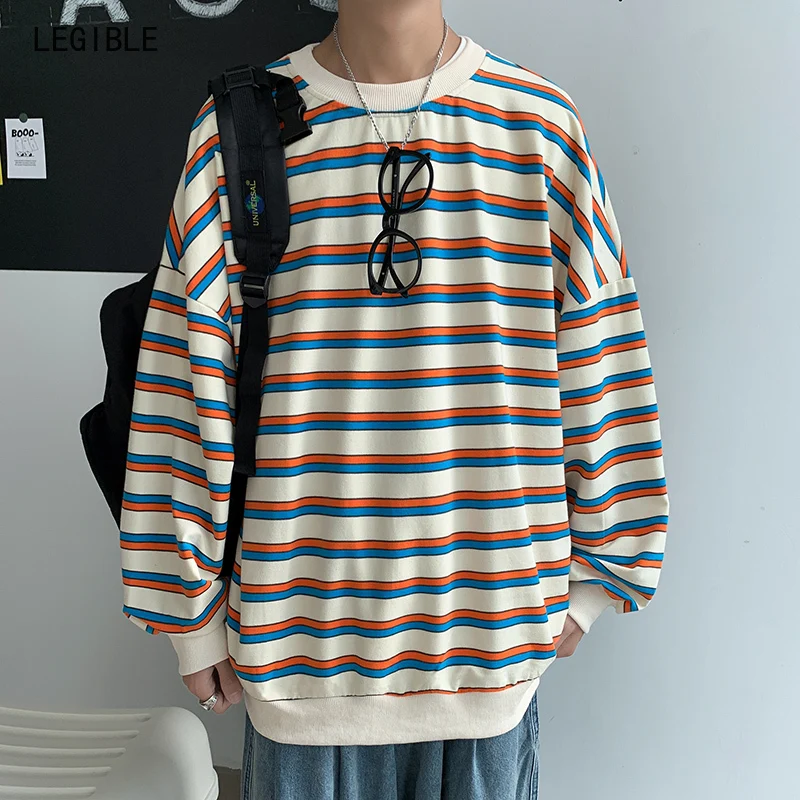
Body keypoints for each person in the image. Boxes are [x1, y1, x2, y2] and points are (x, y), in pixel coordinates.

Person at [118, 0, 669, 797]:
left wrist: (597, 578)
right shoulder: (237, 129)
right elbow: (184, 375)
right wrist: (190, 616)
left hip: (493, 643)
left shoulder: (539, 126)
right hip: (297, 652)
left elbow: (602, 357)